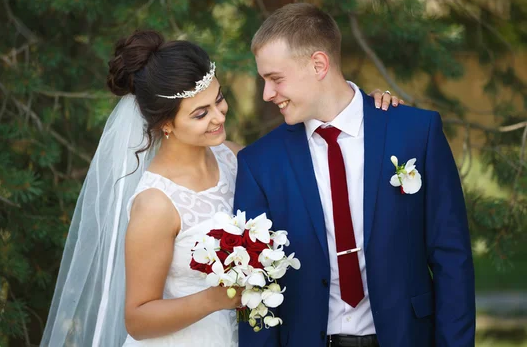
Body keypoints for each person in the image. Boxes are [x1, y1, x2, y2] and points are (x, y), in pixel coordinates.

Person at [40, 29, 401, 347]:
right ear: (166, 124)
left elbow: (313, 163)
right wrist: (219, 298)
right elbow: (138, 318)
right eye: (200, 113)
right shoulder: (155, 203)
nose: (218, 116)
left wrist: (362, 110)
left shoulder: (234, 158)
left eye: (218, 99)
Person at [235, 3, 475, 347]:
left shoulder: (414, 133)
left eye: (275, 79)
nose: (267, 94)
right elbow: (253, 288)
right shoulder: (259, 163)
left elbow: (452, 258)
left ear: (319, 64)